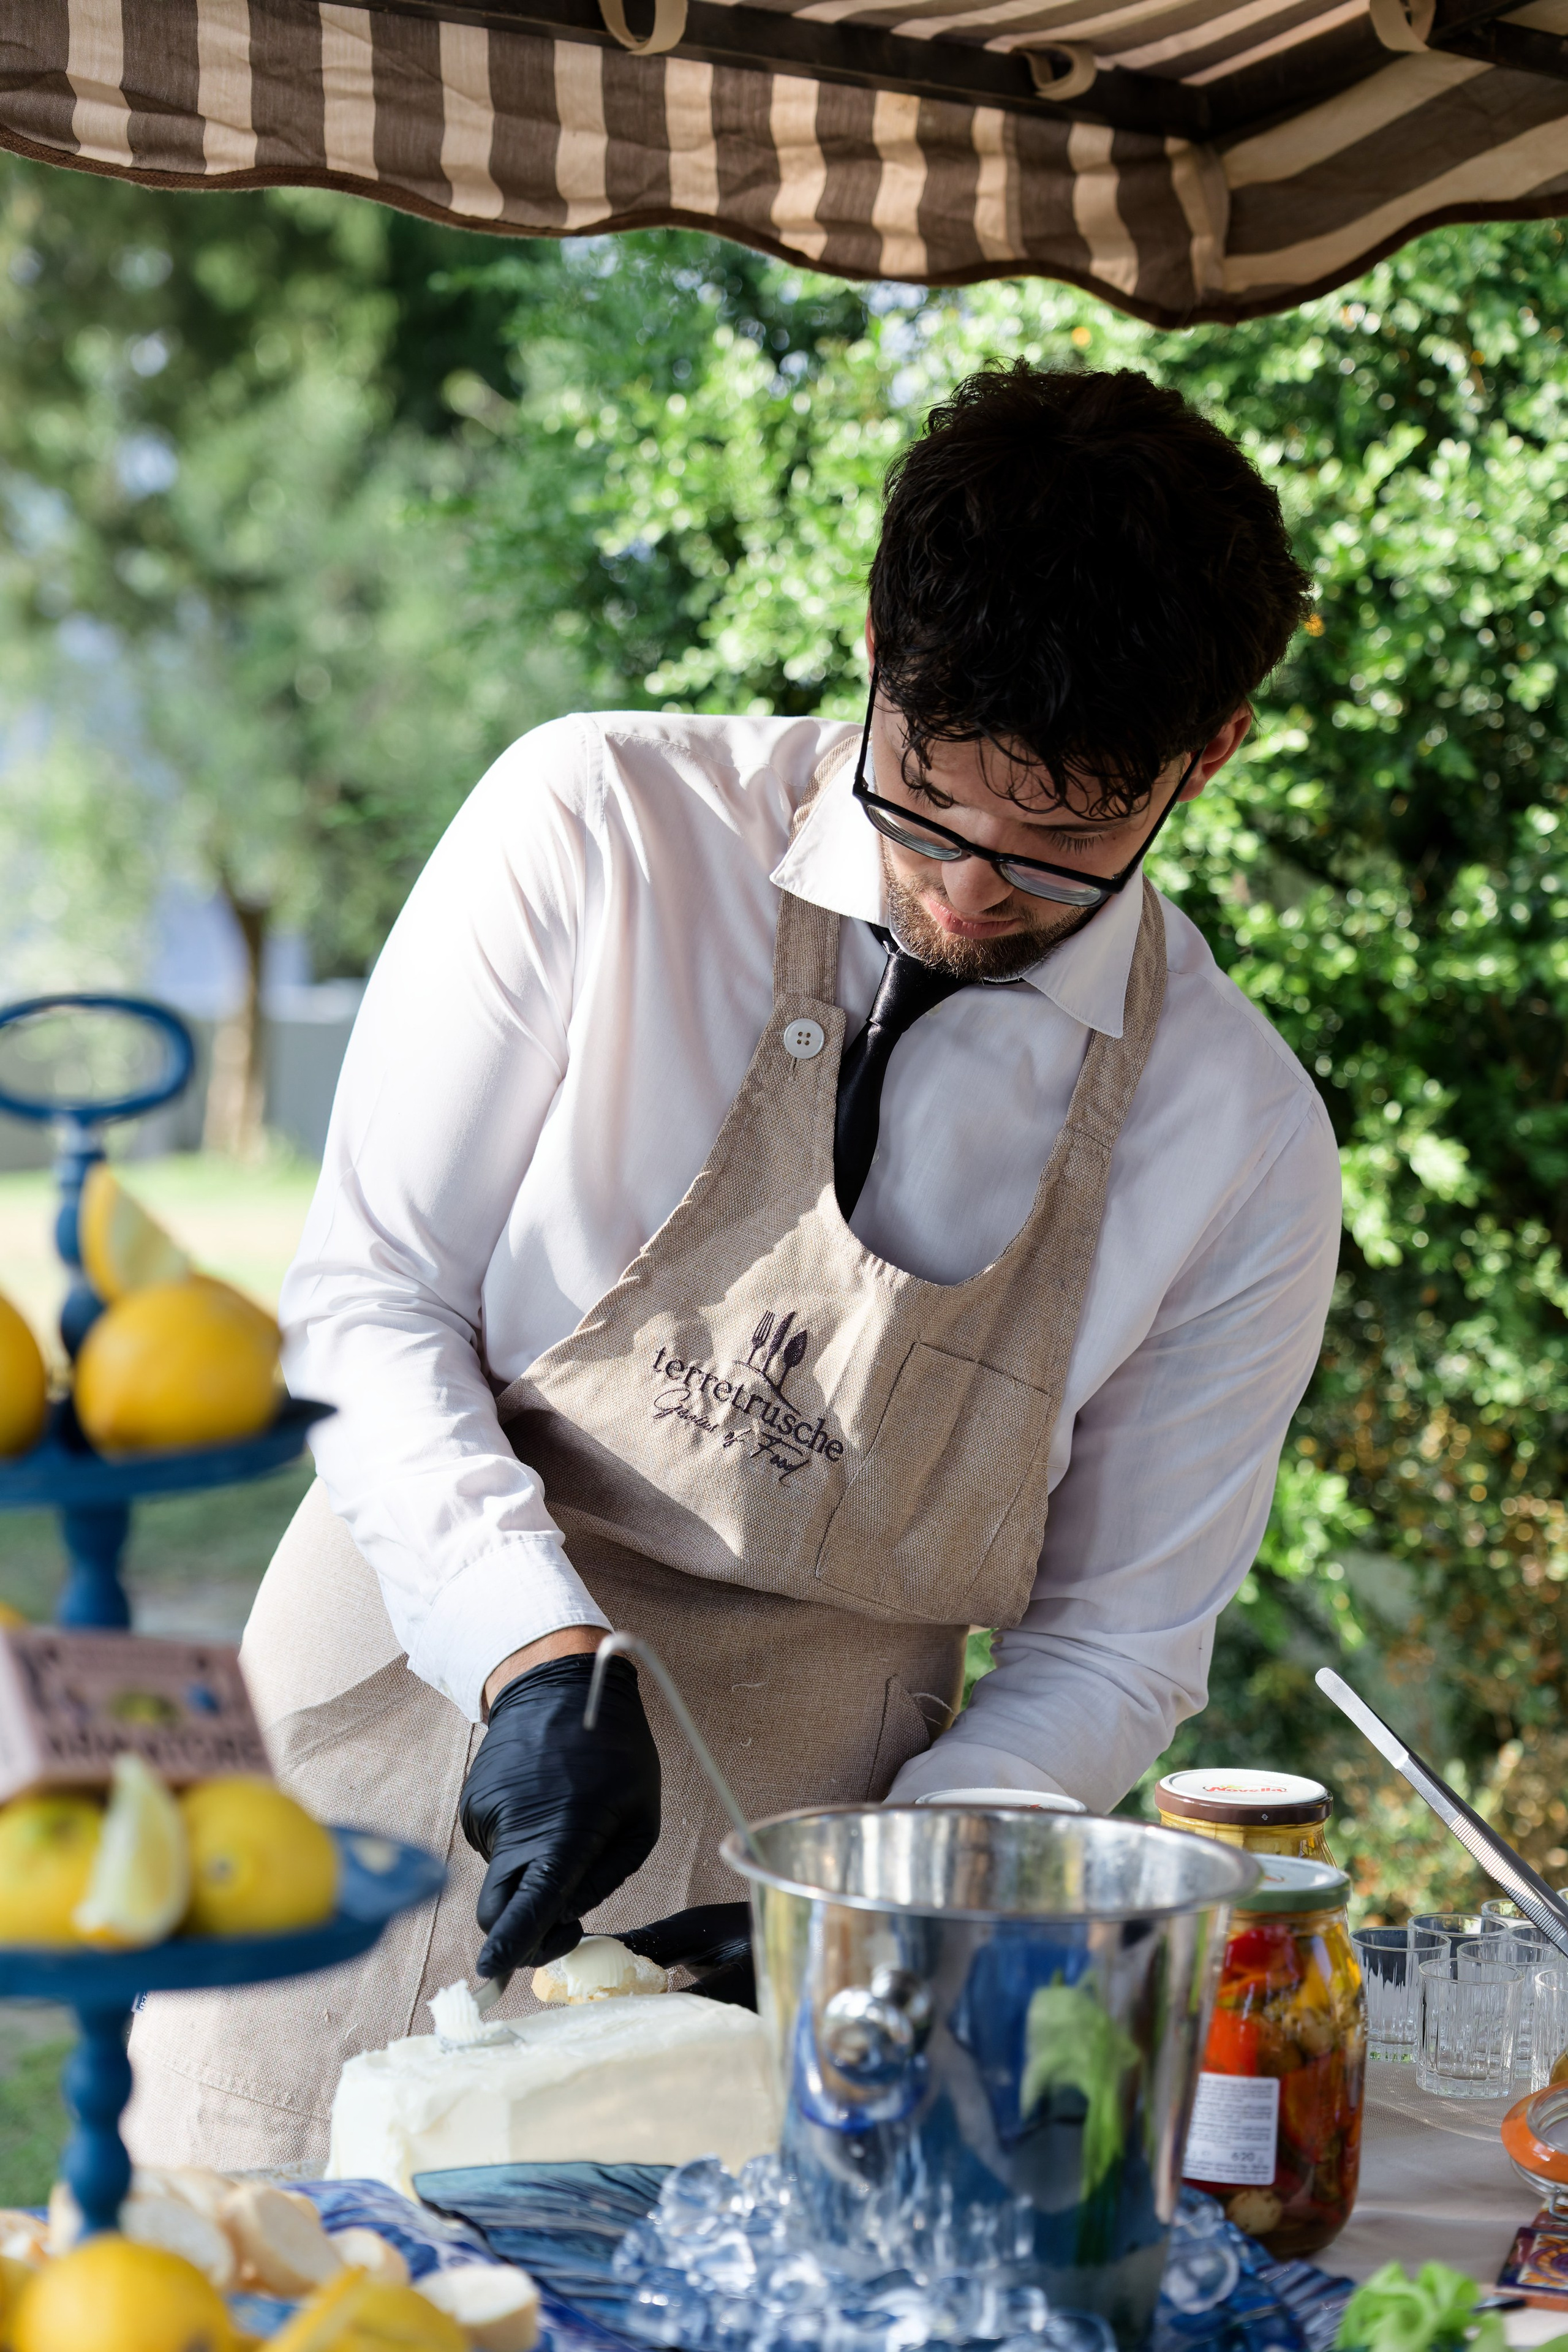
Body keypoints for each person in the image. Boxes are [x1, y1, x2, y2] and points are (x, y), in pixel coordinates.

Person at [127, 362, 1340, 2169]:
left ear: (1214, 747)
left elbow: (1120, 1639)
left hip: (792, 1898)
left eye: (1067, 838)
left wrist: (874, 1917)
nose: (965, 892)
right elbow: (369, 1298)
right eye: (924, 792)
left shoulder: (1236, 1141)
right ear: (872, 644)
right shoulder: (599, 827)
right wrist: (534, 1657)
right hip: (381, 1757)